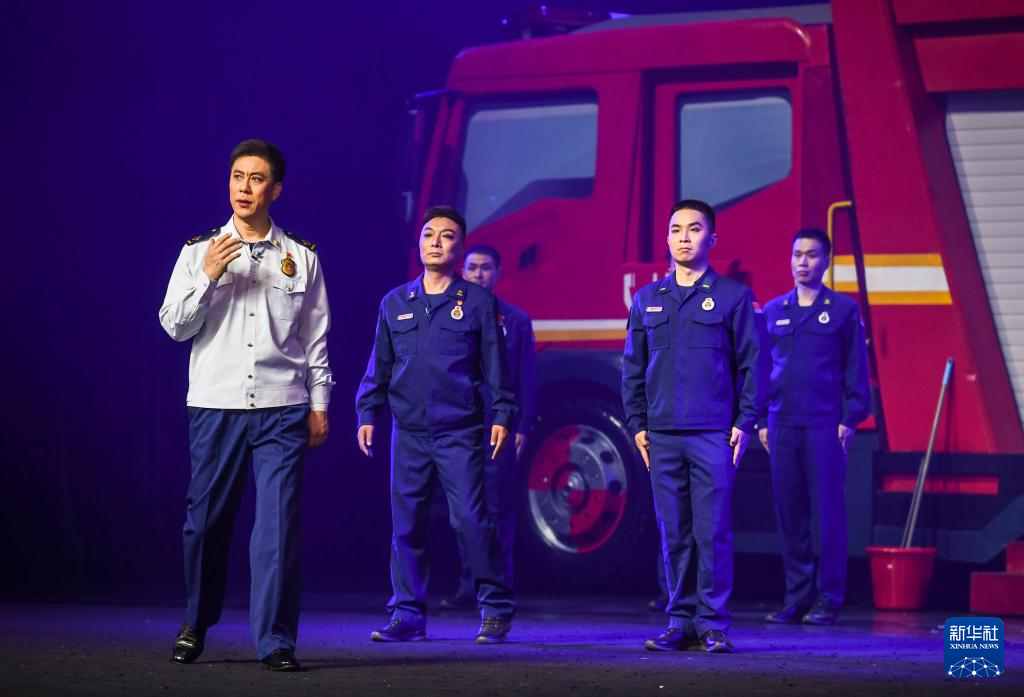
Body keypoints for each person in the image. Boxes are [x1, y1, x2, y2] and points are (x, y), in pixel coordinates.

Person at [158, 139, 333, 672]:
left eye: (257, 179)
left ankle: (276, 641)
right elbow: (174, 327)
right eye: (237, 176)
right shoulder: (198, 251)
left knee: (277, 527)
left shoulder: (301, 257)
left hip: (282, 405)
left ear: (275, 190)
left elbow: (315, 338)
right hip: (217, 405)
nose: (244, 187)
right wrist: (209, 276)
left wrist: (319, 403)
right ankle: (196, 620)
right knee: (205, 523)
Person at [355, 206, 517, 643]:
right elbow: (379, 365)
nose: (435, 242)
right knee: (406, 525)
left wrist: (503, 414)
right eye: (429, 234)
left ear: (459, 248)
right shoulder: (395, 303)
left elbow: (496, 369)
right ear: (419, 242)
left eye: (446, 236)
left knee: (471, 521)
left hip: (458, 432)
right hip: (408, 433)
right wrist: (367, 412)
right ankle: (407, 615)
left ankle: (495, 609)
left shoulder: (478, 303)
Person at [622, 199, 766, 653]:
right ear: (667, 239)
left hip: (712, 433)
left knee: (713, 531)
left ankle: (713, 624)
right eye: (676, 229)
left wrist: (745, 420)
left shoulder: (733, 297)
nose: (684, 237)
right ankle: (680, 621)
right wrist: (637, 423)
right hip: (662, 434)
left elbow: (754, 363)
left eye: (695, 229)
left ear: (712, 239)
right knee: (674, 533)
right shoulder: (647, 300)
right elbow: (632, 367)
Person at [759, 228, 871, 626]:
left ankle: (830, 597)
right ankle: (796, 597)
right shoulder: (773, 310)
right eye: (797, 254)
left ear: (826, 261)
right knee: (790, 512)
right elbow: (761, 368)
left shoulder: (842, 310)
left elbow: (856, 368)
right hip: (782, 423)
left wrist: (850, 418)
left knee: (829, 514)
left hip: (825, 424)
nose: (802, 262)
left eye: (810, 255)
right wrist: (761, 419)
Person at [441, 244, 537, 610]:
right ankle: (469, 584)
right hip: (458, 425)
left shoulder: (515, 320)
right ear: (463, 272)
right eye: (472, 267)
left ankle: (499, 585)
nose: (478, 274)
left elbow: (526, 379)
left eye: (485, 268)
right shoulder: (449, 315)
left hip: (499, 427)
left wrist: (522, 426)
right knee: (464, 509)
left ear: (498, 273)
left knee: (498, 509)